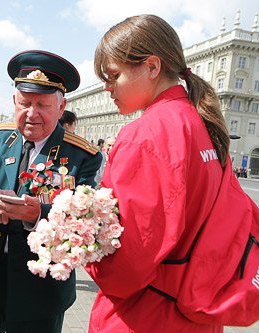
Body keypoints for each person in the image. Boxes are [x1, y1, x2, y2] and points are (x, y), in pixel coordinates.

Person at [83, 14, 232, 332]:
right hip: (195, 310)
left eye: (113, 76)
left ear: (152, 67)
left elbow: (134, 253)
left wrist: (86, 253)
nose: (108, 88)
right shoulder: (203, 124)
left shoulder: (148, 133)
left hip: (145, 313)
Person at [0, 50, 102, 333]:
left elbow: (88, 218)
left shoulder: (83, 155)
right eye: (25, 103)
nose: (32, 113)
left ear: (61, 107)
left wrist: (39, 214)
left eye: (42, 104)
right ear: (13, 102)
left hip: (40, 290)